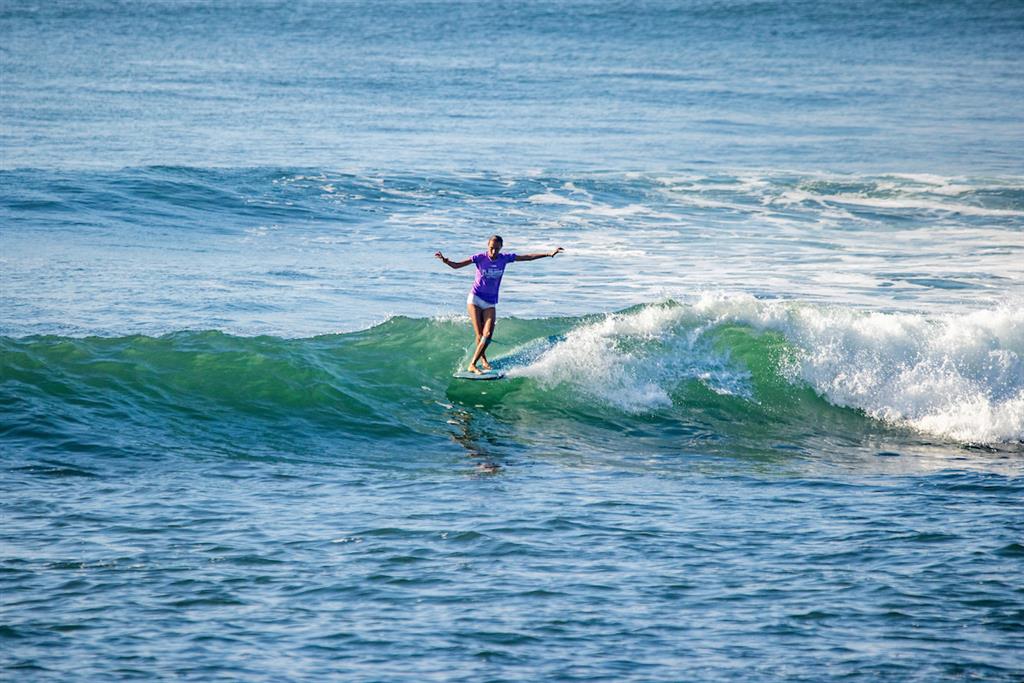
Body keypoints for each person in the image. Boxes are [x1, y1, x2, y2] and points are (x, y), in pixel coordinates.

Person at [435, 235, 564, 374]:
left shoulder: (504, 258)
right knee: (480, 334)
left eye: (496, 249)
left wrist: (548, 254)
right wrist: (446, 261)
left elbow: (527, 257)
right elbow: (457, 266)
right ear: (487, 246)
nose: (493, 251)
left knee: (488, 334)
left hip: (490, 302)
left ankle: (478, 362)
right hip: (475, 298)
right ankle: (476, 363)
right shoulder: (479, 258)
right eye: (491, 248)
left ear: (501, 247)